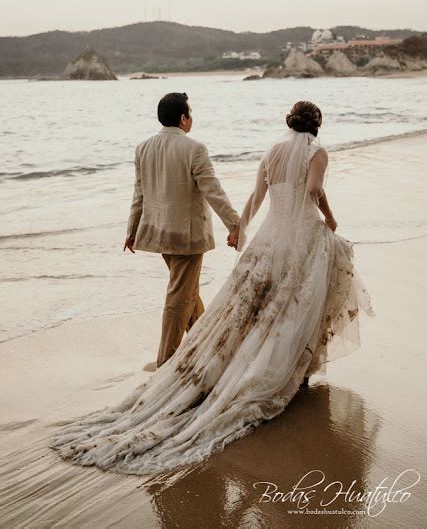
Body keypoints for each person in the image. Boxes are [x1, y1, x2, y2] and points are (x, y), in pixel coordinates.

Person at [50, 100, 375, 475]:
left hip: (247, 236)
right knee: (291, 304)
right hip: (273, 236)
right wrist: (327, 220)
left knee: (247, 305)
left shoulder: (269, 151)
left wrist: (242, 228)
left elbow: (253, 197)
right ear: (317, 125)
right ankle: (195, 362)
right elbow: (310, 191)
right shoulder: (313, 152)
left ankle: (214, 352)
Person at [123, 92, 240, 368]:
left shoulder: (143, 148)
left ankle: (208, 350)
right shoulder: (194, 148)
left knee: (187, 292)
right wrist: (236, 225)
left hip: (158, 233)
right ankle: (166, 360)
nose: (191, 118)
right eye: (190, 113)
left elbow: (138, 194)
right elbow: (213, 190)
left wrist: (132, 230)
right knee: (180, 295)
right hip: (187, 236)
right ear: (183, 118)